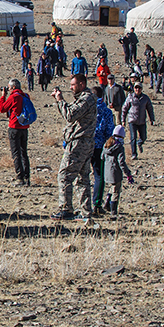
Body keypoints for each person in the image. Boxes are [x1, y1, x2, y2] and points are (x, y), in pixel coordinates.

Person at [51, 74, 97, 220]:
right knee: (82, 179)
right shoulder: (84, 99)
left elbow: (70, 115)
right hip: (84, 142)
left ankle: (66, 209)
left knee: (65, 175)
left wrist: (60, 100)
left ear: (82, 84)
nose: (71, 88)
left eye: (73, 85)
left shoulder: (86, 99)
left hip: (79, 143)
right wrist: (60, 101)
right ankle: (85, 211)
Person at [0, 78, 34, 187]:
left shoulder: (14, 97)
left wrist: (3, 96)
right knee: (24, 153)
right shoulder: (25, 96)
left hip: (14, 127)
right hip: (24, 127)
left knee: (16, 153)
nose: (8, 90)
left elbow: (2, 108)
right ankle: (27, 177)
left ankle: (20, 178)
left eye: (9, 88)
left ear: (13, 87)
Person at [91, 86, 115, 217]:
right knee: (99, 176)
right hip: (99, 146)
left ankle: (83, 203)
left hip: (84, 144)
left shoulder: (86, 108)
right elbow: (109, 132)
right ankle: (97, 204)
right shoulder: (106, 112)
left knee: (81, 175)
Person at [102, 126, 134, 217]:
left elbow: (102, 157)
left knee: (112, 188)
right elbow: (121, 163)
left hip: (107, 172)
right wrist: (128, 174)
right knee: (116, 192)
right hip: (115, 173)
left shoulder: (106, 145)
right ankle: (113, 212)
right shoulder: (119, 147)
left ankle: (107, 205)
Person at [121, 82, 155, 159]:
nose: (137, 89)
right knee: (133, 137)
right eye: (136, 88)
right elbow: (124, 109)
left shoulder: (145, 98)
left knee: (143, 137)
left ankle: (139, 143)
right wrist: (123, 120)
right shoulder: (130, 97)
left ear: (141, 89)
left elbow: (150, 109)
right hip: (132, 120)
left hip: (142, 121)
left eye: (139, 88)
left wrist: (152, 119)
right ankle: (134, 154)